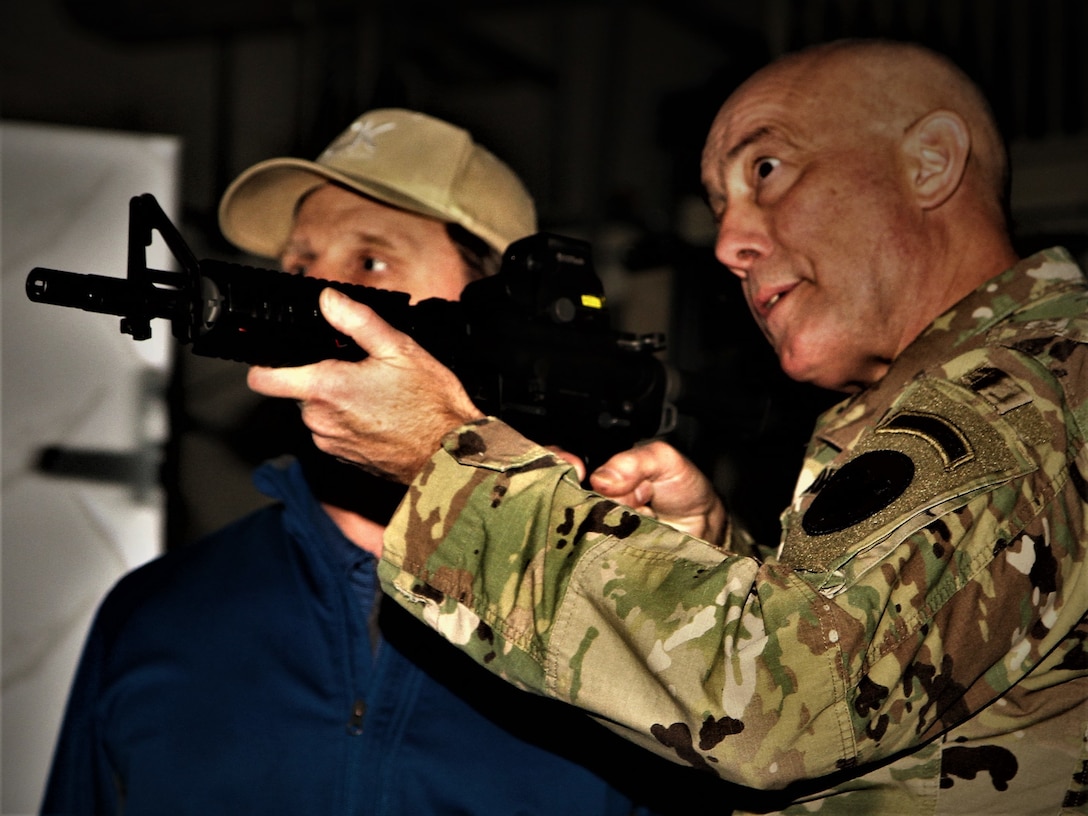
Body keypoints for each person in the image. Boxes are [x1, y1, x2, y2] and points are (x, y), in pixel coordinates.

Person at [246, 41, 1088, 814]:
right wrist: (718, 561)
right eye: (720, 202)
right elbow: (899, 675)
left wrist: (447, 460)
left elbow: (780, 705)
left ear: (931, 162)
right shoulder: (974, 400)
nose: (727, 241)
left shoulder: (1019, 396)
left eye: (768, 168)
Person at [42, 108, 705, 816]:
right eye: (297, 265)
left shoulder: (618, 635)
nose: (317, 298)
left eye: (369, 264)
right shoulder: (158, 618)